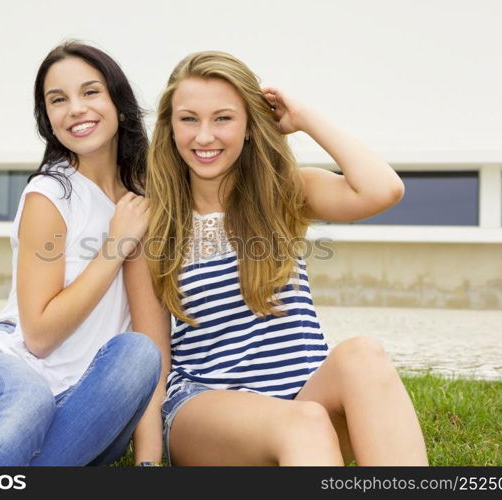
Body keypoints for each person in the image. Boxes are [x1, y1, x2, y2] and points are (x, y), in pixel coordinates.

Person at [125, 51, 429, 466]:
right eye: (189, 118)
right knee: (302, 423)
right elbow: (153, 358)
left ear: (250, 125)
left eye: (223, 118)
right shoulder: (152, 222)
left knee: (362, 355)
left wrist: (304, 117)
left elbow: (383, 190)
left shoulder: (283, 194)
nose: (204, 136)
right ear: (170, 126)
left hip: (304, 400)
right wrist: (146, 460)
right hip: (204, 410)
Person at [0, 41, 161, 466]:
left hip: (85, 393)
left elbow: (150, 340)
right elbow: (40, 336)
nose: (75, 109)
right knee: (31, 400)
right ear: (47, 119)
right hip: (14, 366)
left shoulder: (140, 202)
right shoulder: (50, 194)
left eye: (90, 92)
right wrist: (116, 245)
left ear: (118, 103)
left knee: (139, 353)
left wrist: (149, 462)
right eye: (58, 100)